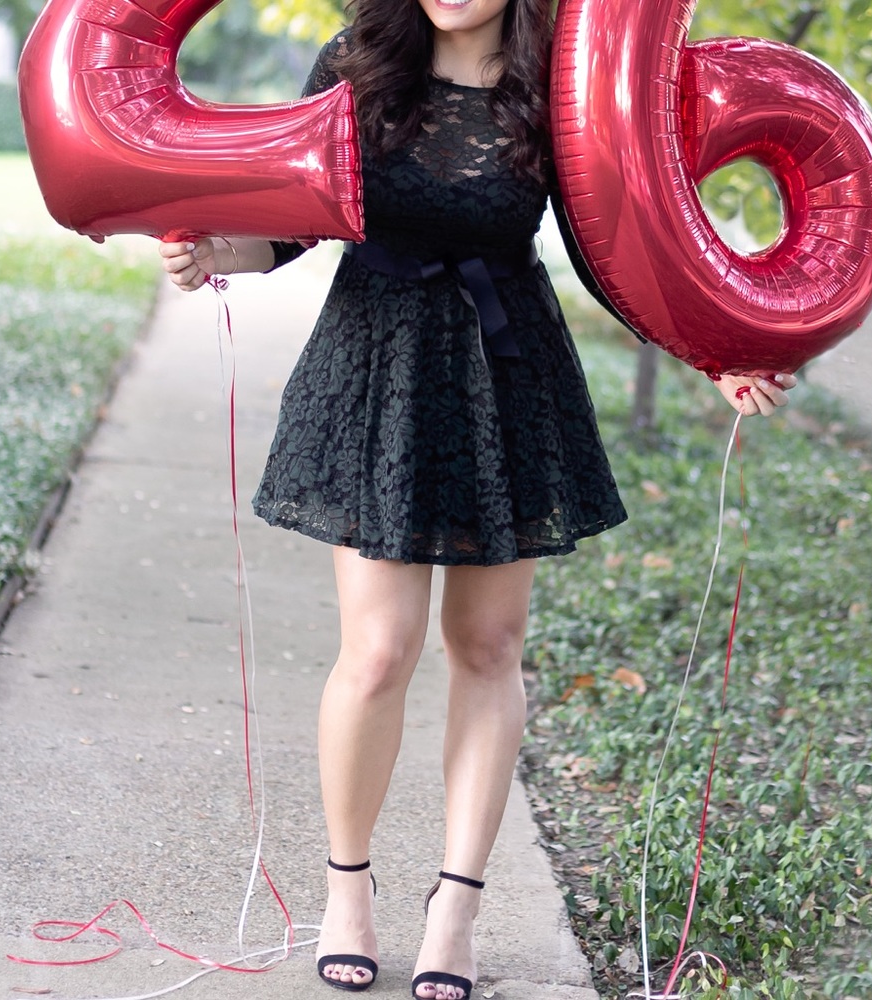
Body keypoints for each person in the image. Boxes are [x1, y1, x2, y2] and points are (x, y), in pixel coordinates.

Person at [159, 1, 796, 997]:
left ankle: (455, 904)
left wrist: (713, 350)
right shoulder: (357, 63)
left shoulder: (562, 79)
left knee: (488, 646)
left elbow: (615, 250)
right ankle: (349, 891)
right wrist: (212, 257)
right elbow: (292, 227)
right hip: (378, 368)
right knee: (377, 651)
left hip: (505, 374)